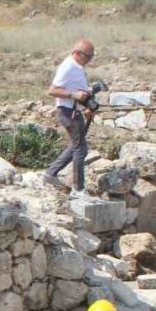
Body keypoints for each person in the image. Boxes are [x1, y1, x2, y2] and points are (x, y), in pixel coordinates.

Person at [44, 39, 96, 196]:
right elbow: (52, 90)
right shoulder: (67, 66)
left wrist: (86, 103)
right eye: (88, 57)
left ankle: (51, 174)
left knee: (76, 146)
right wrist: (74, 95)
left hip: (74, 110)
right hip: (67, 111)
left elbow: (77, 89)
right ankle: (78, 188)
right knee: (81, 149)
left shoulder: (77, 67)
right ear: (78, 53)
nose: (89, 60)